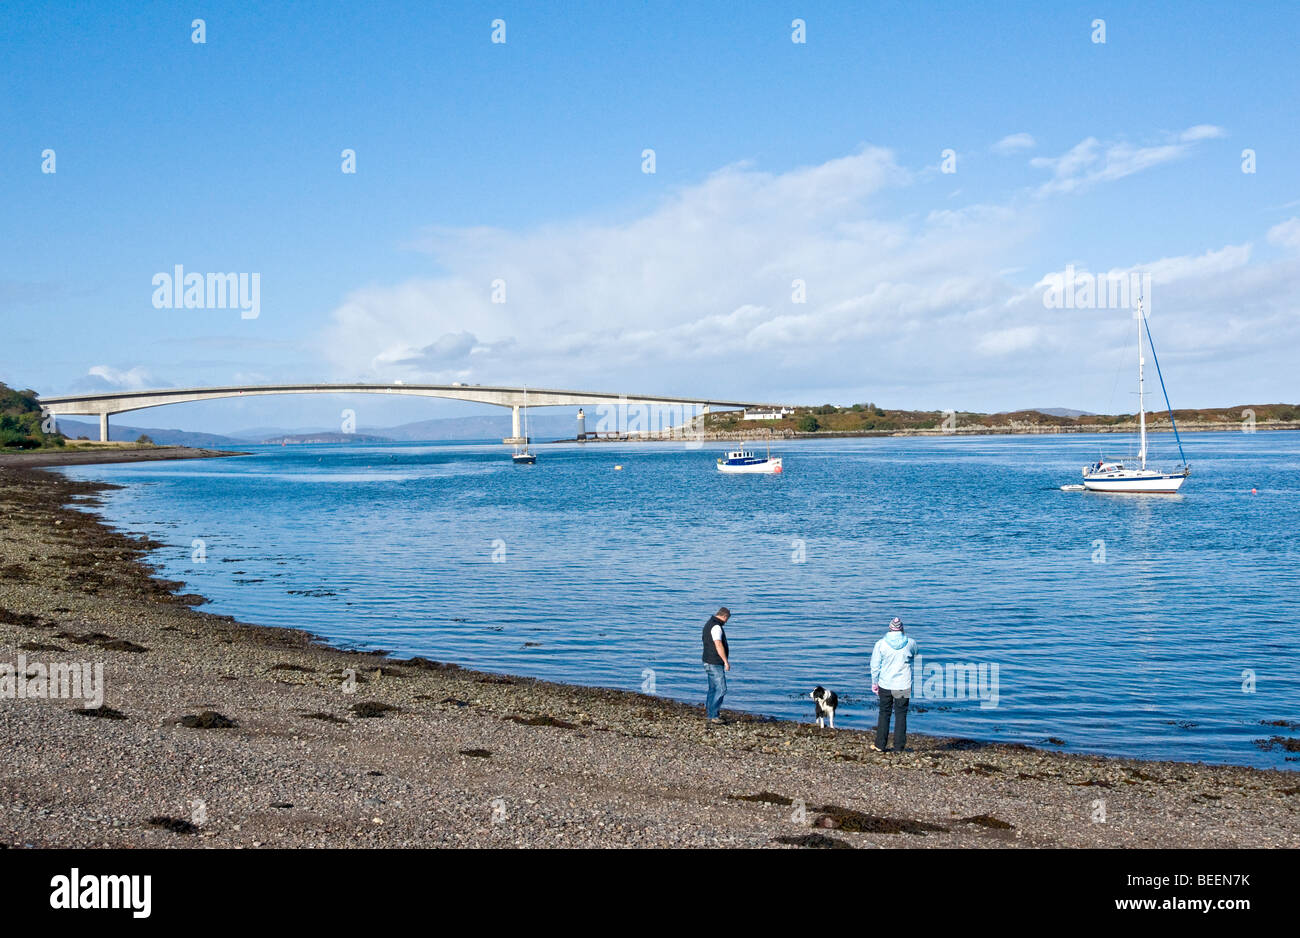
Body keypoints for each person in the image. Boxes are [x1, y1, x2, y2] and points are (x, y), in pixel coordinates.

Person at [870, 616, 917, 752]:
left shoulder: (880, 644)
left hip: (885, 683)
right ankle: (898, 747)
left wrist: (874, 683)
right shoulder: (911, 643)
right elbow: (914, 656)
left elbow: (875, 666)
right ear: (902, 629)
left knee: (884, 713)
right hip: (903, 683)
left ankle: (880, 745)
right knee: (901, 714)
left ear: (889, 629)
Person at [701, 606, 731, 724]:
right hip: (714, 662)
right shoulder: (716, 627)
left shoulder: (708, 624)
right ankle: (713, 715)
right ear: (724, 616)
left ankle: (710, 713)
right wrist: (725, 661)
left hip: (707, 660)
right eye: (727, 619)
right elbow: (718, 644)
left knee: (713, 689)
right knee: (721, 689)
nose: (726, 622)